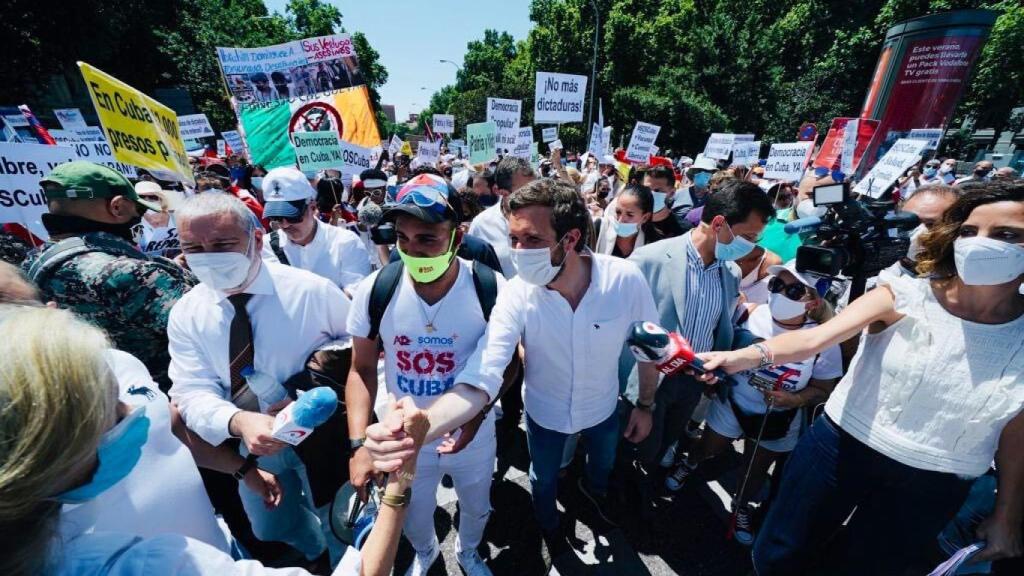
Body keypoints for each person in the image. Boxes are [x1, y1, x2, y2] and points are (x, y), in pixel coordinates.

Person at [698, 181, 1024, 574]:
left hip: (936, 483)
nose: (981, 243)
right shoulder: (903, 292)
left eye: (1007, 234)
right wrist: (741, 357)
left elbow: (1015, 430)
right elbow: (815, 338)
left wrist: (1007, 513)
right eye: (970, 230)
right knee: (780, 556)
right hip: (840, 449)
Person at [0, 304, 424, 576]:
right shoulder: (147, 564)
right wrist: (400, 479)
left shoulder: (40, 538)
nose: (136, 411)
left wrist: (240, 469)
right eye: (113, 409)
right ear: (49, 452)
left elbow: (174, 422)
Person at [366, 179, 661, 556]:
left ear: (570, 239)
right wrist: (422, 427)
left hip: (603, 410)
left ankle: (595, 498)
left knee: (600, 468)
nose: (519, 252)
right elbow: (483, 373)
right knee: (543, 480)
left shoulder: (625, 280)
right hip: (545, 415)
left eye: (532, 239)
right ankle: (549, 527)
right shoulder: (515, 293)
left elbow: (648, 349)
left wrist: (645, 405)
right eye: (513, 239)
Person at [168, 192, 352, 570]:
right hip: (251, 443)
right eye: (193, 248)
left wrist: (309, 386)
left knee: (339, 519)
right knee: (271, 526)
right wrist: (238, 421)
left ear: (255, 239)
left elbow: (358, 350)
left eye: (222, 244)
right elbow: (190, 390)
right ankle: (313, 549)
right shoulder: (187, 313)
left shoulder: (311, 291)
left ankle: (341, 560)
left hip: (321, 434)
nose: (208, 257)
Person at [346, 174, 510, 576]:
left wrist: (478, 415)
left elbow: (508, 364)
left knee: (476, 504)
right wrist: (359, 444)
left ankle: (469, 552)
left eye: (427, 239)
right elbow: (361, 369)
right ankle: (426, 552)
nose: (412, 250)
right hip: (402, 439)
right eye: (402, 238)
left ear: (457, 237)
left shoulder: (490, 287)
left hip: (469, 435)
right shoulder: (376, 289)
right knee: (412, 512)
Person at [665, 261, 842, 546]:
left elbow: (823, 390)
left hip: (779, 417)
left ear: (812, 302)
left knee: (755, 470)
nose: (780, 293)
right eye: (776, 285)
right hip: (733, 402)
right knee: (709, 446)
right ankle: (690, 462)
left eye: (794, 291)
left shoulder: (822, 340)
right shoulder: (749, 314)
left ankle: (741, 505)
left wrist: (795, 399)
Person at [621, 179, 774, 474]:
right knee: (635, 448)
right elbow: (622, 332)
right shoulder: (648, 260)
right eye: (748, 236)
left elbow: (723, 326)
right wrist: (640, 399)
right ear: (718, 224)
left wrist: (753, 346)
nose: (753, 246)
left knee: (664, 445)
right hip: (649, 382)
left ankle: (649, 481)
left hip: (694, 381)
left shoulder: (731, 272)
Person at [22, 161, 195, 389]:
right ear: (118, 207)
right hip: (161, 397)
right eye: (139, 209)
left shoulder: (31, 262)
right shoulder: (131, 273)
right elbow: (208, 329)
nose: (140, 216)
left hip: (93, 396)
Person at [259, 167, 372, 296]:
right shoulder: (264, 248)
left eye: (292, 216)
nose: (284, 224)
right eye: (276, 217)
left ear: (312, 207)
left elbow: (356, 293)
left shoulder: (346, 243)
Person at [468, 156, 536, 278]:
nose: (534, 197)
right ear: (499, 191)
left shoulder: (546, 219)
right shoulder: (481, 225)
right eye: (525, 192)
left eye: (535, 190)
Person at [894, 184, 958, 275]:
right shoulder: (880, 271)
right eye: (909, 222)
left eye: (931, 224)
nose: (918, 233)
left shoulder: (965, 279)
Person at [594, 184, 653, 258]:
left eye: (629, 215)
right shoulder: (599, 228)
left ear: (645, 218)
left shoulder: (650, 244)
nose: (620, 220)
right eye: (618, 212)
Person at [641, 164, 690, 240]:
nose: (651, 194)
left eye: (657, 190)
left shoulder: (683, 231)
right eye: (647, 189)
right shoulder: (632, 219)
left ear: (672, 193)